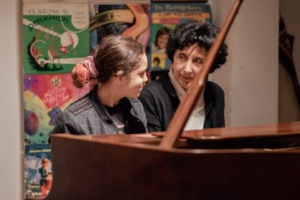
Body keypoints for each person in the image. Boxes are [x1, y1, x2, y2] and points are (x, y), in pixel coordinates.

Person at [138, 21, 228, 132]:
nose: (187, 69)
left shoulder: (216, 93)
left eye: (197, 61)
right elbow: (152, 147)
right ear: (173, 56)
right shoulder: (150, 95)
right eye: (182, 57)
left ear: (210, 65)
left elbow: (218, 144)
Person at [51, 35, 148, 136]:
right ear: (120, 77)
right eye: (141, 74)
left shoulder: (136, 107)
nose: (146, 79)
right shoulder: (73, 120)